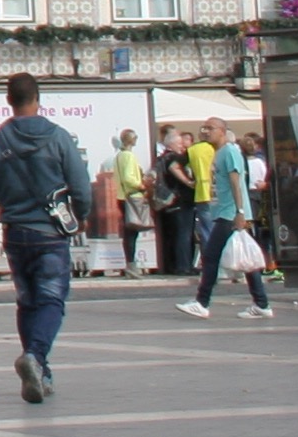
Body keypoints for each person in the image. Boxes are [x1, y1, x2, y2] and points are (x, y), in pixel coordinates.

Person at [0, 72, 93, 402]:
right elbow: (81, 186)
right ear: (38, 99)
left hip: (15, 232)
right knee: (52, 299)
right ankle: (36, 357)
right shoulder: (58, 137)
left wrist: (9, 189)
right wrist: (80, 214)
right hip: (49, 233)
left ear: (8, 100)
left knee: (27, 302)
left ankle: (42, 372)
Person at [178, 117, 272, 321]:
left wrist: (240, 212)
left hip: (230, 213)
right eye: (203, 128)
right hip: (225, 211)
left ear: (222, 131)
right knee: (246, 260)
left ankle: (202, 302)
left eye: (210, 128)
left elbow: (235, 182)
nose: (205, 132)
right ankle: (261, 303)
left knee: (210, 256)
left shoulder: (229, 152)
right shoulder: (219, 153)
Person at [153, 130, 198, 275]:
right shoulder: (174, 158)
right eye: (179, 144)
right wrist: (189, 182)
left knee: (173, 235)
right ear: (171, 145)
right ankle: (184, 266)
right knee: (184, 234)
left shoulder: (161, 158)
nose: (182, 147)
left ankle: (172, 265)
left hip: (169, 202)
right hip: (181, 200)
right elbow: (175, 168)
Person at [108, 128, 151, 273]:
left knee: (130, 231)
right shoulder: (128, 156)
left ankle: (130, 263)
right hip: (132, 196)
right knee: (132, 231)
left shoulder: (119, 156)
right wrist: (141, 185)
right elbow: (128, 177)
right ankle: (131, 264)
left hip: (123, 196)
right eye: (135, 137)